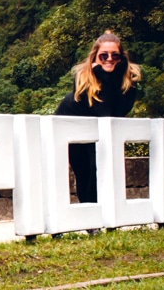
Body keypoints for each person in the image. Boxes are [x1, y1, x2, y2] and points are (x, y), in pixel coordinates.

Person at [54, 31, 142, 203]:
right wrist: (103, 75)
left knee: (99, 167)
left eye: (115, 56)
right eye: (104, 56)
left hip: (99, 127)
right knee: (84, 171)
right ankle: (90, 216)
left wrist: (109, 76)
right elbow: (101, 110)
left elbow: (116, 112)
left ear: (122, 58)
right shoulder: (83, 77)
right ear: (95, 57)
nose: (109, 59)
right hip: (72, 124)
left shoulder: (128, 79)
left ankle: (99, 214)